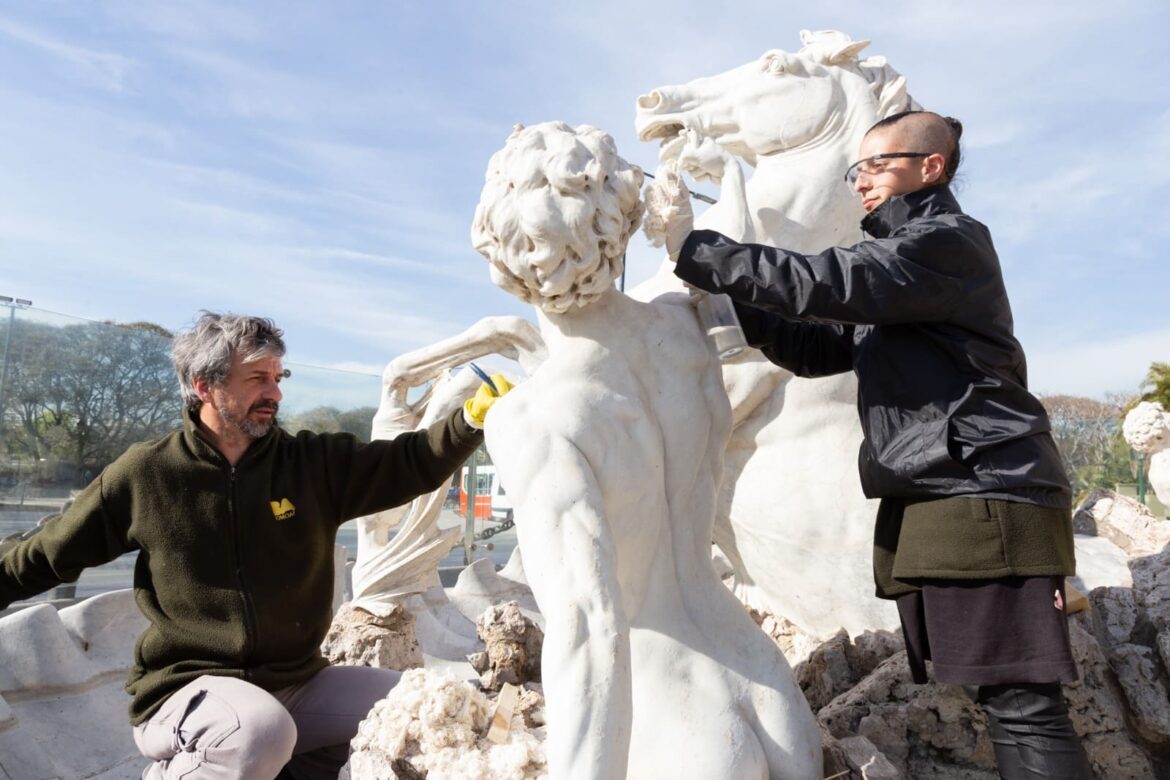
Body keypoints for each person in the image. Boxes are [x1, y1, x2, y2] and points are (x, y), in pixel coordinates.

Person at [657, 110, 1092, 779]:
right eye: (854, 169)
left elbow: (830, 282)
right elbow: (810, 344)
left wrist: (702, 249)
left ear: (931, 167)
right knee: (1003, 699)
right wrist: (718, 289)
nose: (860, 182)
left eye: (876, 166)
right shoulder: (902, 281)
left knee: (1022, 704)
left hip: (986, 489)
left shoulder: (946, 242)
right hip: (953, 491)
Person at [0, 312, 508, 780]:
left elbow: (407, 463)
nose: (275, 393)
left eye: (277, 378)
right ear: (204, 386)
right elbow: (47, 554)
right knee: (259, 733)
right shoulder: (146, 473)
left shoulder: (310, 463)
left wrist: (467, 423)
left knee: (422, 706)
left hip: (295, 683)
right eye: (257, 379)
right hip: (186, 691)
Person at [471, 121, 821, 779]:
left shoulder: (534, 416)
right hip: (767, 685)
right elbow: (688, 274)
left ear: (501, 253)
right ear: (620, 219)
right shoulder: (684, 325)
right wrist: (680, 229)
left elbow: (588, 632)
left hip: (674, 725)